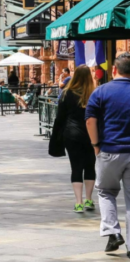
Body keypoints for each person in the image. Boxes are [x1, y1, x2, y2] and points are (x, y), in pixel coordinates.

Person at [86, 52, 130, 256]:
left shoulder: (101, 91)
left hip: (109, 149)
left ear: (114, 70)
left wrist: (96, 145)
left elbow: (90, 120)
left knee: (105, 191)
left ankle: (113, 232)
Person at [49, 65, 96, 213]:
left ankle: (78, 202)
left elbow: (60, 118)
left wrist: (56, 137)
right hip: (91, 134)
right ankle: (89, 199)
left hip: (71, 134)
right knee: (90, 166)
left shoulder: (66, 93)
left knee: (76, 167)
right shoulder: (94, 93)